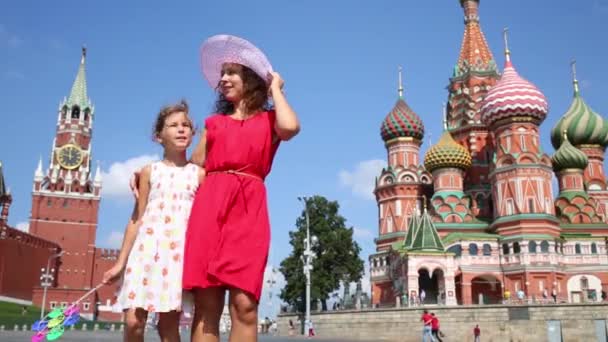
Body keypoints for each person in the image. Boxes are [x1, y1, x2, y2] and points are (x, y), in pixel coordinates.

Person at [183, 34, 300, 342]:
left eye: (232, 72)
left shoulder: (270, 120)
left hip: (249, 209)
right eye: (222, 73)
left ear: (250, 78)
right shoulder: (214, 124)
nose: (223, 78)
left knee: (245, 304)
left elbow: (290, 127)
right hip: (210, 208)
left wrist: (275, 86)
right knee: (207, 305)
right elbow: (193, 169)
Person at [103, 100, 204, 342]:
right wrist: (120, 263)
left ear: (192, 134)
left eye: (186, 125)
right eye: (173, 125)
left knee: (168, 328)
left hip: (175, 259)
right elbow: (136, 219)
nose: (181, 129)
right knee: (133, 322)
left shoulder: (199, 175)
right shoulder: (149, 172)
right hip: (144, 255)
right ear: (159, 136)